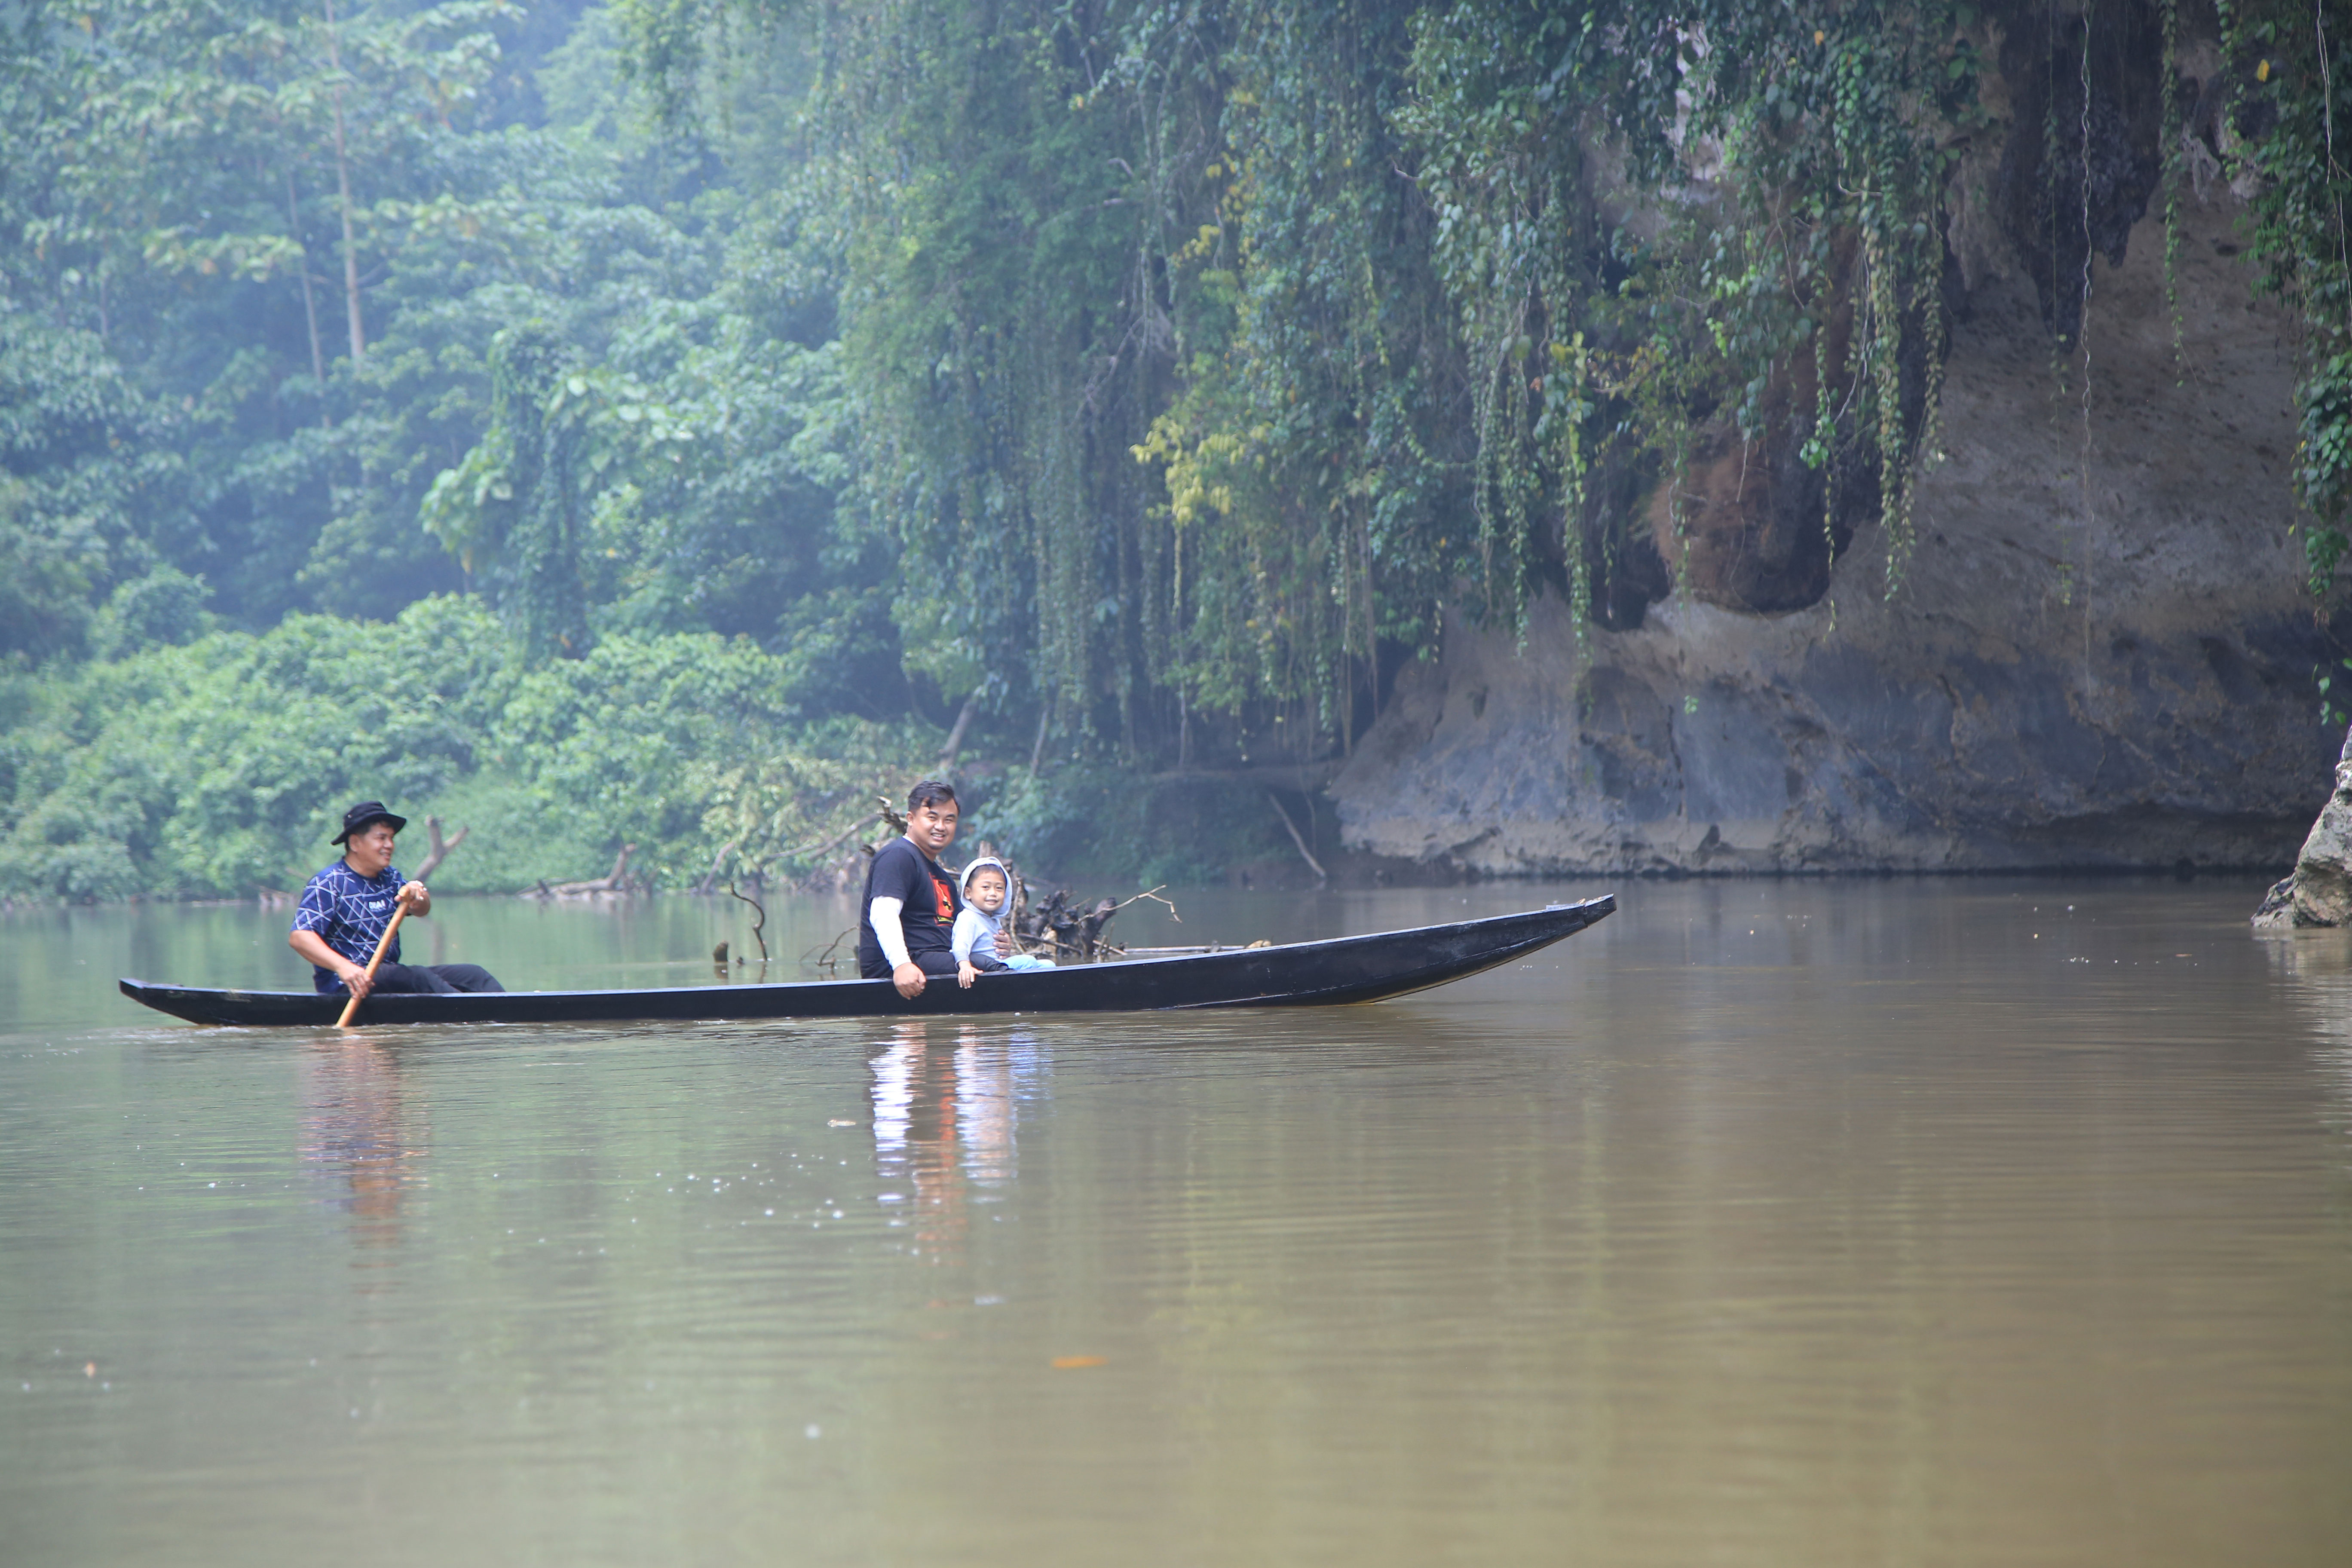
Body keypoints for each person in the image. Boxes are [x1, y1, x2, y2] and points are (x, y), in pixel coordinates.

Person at [288, 801, 504, 998]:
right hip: (349, 984)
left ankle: (514, 1010)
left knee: (473, 975)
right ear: (355, 843)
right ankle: (472, 1014)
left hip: (389, 976)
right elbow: (300, 936)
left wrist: (419, 896)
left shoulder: (390, 877)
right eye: (381, 838)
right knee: (417, 977)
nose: (390, 845)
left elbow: (421, 910)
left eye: (391, 838)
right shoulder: (329, 882)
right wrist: (344, 967)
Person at [858, 780, 972, 997]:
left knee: (994, 962)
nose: (941, 826)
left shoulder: (943, 878)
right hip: (899, 971)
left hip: (936, 961)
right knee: (987, 967)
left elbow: (963, 928)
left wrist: (995, 943)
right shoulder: (898, 856)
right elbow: (883, 914)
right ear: (911, 819)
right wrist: (901, 965)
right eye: (932, 818)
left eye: (949, 820)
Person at [952, 858, 1055, 987]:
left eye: (999, 888)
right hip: (984, 969)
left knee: (1049, 965)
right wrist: (965, 966)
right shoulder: (968, 918)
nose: (993, 893)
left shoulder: (993, 919)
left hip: (999, 966)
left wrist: (1006, 953)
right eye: (986, 887)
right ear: (968, 893)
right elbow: (960, 946)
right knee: (1028, 961)